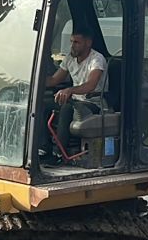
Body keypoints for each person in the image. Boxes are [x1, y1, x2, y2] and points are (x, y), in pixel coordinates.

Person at [44, 31, 108, 162]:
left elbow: (91, 85)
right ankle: (43, 148)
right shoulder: (70, 58)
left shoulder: (97, 59)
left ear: (88, 43)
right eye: (71, 42)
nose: (72, 46)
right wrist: (32, 82)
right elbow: (54, 80)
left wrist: (69, 90)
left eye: (77, 42)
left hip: (93, 102)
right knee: (43, 104)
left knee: (67, 108)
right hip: (75, 100)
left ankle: (59, 154)